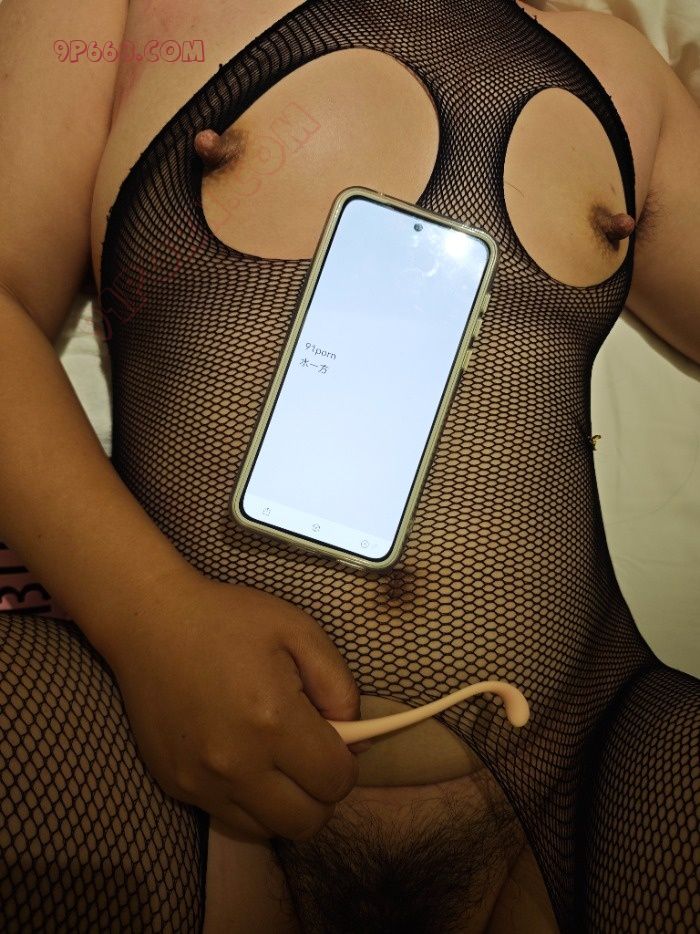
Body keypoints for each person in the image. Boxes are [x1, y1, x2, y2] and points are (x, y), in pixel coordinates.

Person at [0, 0, 698, 931]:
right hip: (158, 746)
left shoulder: (619, 69)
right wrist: (148, 617)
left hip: (580, 767)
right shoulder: (118, 13)